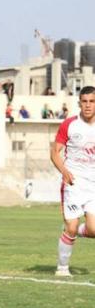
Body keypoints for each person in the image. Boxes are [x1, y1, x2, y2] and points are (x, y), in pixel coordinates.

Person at [51, 86, 95, 277]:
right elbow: (54, 153)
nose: (88, 105)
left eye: (92, 101)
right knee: (71, 227)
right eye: (84, 101)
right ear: (79, 103)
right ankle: (62, 269)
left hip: (93, 184)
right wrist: (64, 171)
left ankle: (74, 231)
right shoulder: (69, 124)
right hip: (73, 183)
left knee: (93, 230)